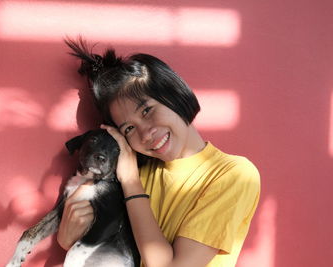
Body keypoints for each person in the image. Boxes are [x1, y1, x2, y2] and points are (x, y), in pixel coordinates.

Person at [57, 38, 261, 267]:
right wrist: (66, 237)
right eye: (129, 128)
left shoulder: (234, 174)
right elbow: (78, 235)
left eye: (147, 110)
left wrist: (131, 182)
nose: (146, 134)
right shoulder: (133, 170)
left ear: (174, 94)